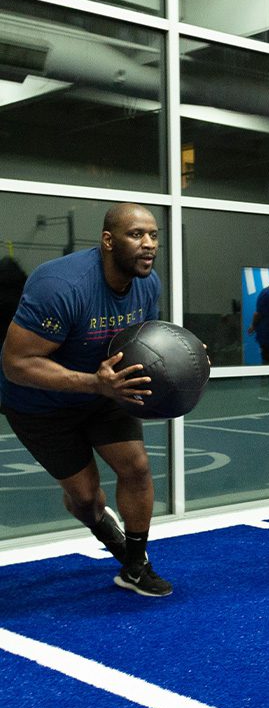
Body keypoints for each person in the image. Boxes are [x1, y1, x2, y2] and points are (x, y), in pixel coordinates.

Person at [0, 203, 172, 597]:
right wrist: (95, 384)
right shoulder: (61, 285)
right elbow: (16, 363)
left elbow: (144, 342)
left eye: (153, 235)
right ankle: (104, 527)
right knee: (86, 498)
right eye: (136, 235)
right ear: (108, 241)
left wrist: (186, 362)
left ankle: (135, 565)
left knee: (137, 468)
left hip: (104, 391)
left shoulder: (148, 284)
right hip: (39, 405)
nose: (148, 245)